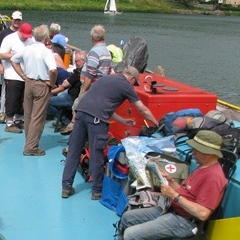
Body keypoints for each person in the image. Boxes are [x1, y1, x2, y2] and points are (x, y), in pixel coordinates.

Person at [119, 130, 228, 240]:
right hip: (172, 209)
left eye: (197, 149)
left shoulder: (213, 178)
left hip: (184, 221)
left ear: (209, 153)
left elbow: (203, 213)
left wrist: (174, 196)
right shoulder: (203, 167)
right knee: (128, 218)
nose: (193, 152)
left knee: (131, 236)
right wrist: (171, 182)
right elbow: (188, 193)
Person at [61, 66, 158, 200]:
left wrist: (123, 120)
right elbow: (142, 109)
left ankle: (66, 188)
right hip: (96, 121)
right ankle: (97, 191)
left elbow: (104, 105)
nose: (133, 86)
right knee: (97, 154)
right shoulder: (125, 85)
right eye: (134, 83)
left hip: (81, 113)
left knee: (74, 151)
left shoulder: (106, 78)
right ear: (131, 78)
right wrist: (156, 123)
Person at [10, 24, 57, 156]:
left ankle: (29, 141)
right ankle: (31, 147)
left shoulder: (27, 49)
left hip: (29, 83)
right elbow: (53, 70)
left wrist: (22, 75)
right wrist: (51, 83)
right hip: (41, 84)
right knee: (38, 116)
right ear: (46, 38)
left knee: (28, 115)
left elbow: (13, 60)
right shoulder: (46, 52)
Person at [60, 25, 113, 135]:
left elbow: (90, 73)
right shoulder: (107, 52)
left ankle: (73, 130)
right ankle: (73, 127)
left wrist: (83, 90)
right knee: (78, 107)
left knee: (79, 108)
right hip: (100, 88)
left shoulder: (95, 52)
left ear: (92, 38)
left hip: (91, 88)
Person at [0, 22, 35, 133]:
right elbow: (1, 55)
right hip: (12, 74)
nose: (25, 38)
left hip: (26, 74)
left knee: (23, 99)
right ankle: (9, 121)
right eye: (24, 36)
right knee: (12, 98)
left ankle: (19, 119)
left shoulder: (31, 40)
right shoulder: (9, 39)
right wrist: (17, 55)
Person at [0, 10, 23, 125]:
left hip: (20, 70)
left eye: (19, 20)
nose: (17, 22)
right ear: (12, 19)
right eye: (15, 20)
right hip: (7, 68)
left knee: (17, 94)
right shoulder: (4, 34)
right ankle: (2, 112)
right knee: (5, 91)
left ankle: (16, 114)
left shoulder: (22, 34)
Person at [48, 50, 86, 124]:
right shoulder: (86, 71)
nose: (75, 63)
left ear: (83, 61)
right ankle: (65, 117)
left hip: (72, 97)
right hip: (73, 95)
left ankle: (64, 120)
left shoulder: (78, 73)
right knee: (60, 95)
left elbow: (65, 84)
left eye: (77, 61)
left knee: (47, 101)